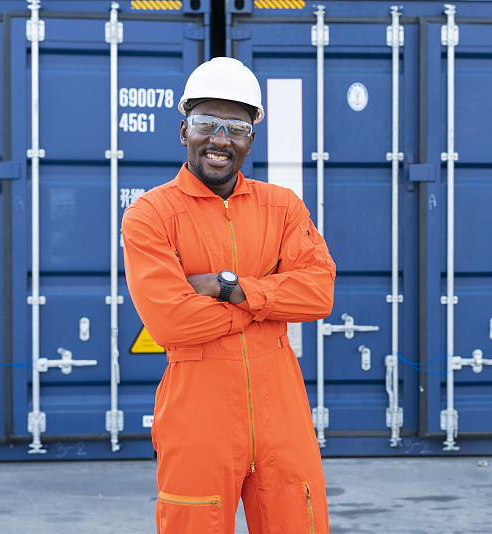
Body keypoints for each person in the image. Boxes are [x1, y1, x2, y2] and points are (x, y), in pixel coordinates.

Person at [122, 57, 336, 534]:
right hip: (198, 415)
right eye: (206, 123)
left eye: (236, 127)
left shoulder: (281, 207)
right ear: (184, 131)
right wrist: (265, 304)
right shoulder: (150, 215)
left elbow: (319, 294)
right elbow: (171, 322)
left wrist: (228, 289)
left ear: (250, 140)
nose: (220, 139)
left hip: (282, 413)